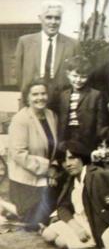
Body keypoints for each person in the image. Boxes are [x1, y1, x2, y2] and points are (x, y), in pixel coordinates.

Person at [41, 140, 109, 248]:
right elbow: (63, 206)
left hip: (92, 225)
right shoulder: (72, 179)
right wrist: (76, 227)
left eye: (72, 158)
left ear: (81, 157)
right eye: (63, 160)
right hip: (78, 221)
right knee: (48, 234)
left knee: (60, 242)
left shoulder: (97, 176)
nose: (68, 164)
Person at [8, 78, 58, 230]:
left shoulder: (51, 115)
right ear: (27, 98)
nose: (40, 98)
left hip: (45, 177)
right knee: (33, 225)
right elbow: (18, 153)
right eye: (35, 94)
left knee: (47, 220)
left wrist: (54, 168)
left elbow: (54, 147)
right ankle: (8, 207)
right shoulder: (21, 119)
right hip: (26, 180)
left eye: (43, 93)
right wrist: (46, 168)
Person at [15, 0, 77, 97]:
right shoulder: (25, 42)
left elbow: (77, 72)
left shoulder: (73, 44)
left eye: (57, 18)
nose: (53, 22)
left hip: (61, 101)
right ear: (40, 18)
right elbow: (19, 74)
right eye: (48, 17)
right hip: (33, 99)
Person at [56, 55, 107, 151]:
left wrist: (98, 143)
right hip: (66, 138)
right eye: (75, 76)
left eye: (83, 77)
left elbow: (100, 123)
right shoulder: (63, 95)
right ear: (68, 74)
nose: (78, 80)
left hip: (86, 140)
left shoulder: (95, 95)